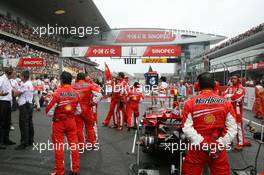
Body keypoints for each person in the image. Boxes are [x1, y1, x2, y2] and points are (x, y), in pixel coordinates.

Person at [182, 72, 237, 175]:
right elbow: (233, 128)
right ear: (216, 85)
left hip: (197, 147)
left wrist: (202, 143)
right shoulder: (226, 103)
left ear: (197, 86)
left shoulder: (190, 103)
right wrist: (220, 144)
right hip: (218, 147)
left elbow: (186, 128)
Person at [46, 71, 81, 175]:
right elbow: (79, 111)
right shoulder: (76, 93)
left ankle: (59, 171)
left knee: (59, 147)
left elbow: (48, 112)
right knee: (74, 145)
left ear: (61, 80)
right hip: (71, 122)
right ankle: (75, 169)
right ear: (71, 81)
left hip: (59, 123)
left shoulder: (56, 93)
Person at [72, 73, 102, 148]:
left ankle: (81, 145)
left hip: (76, 109)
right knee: (90, 126)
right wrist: (93, 102)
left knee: (79, 128)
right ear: (84, 78)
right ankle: (91, 143)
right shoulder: (89, 85)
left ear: (77, 78)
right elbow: (99, 95)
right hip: (87, 109)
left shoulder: (73, 86)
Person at [223, 74, 251, 150]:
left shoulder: (241, 88)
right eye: (232, 78)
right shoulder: (229, 87)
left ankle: (241, 143)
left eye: (235, 78)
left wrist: (229, 96)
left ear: (238, 79)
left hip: (237, 110)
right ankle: (230, 141)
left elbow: (235, 97)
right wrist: (230, 96)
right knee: (228, 126)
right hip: (229, 110)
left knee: (238, 127)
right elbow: (223, 95)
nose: (233, 80)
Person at [13, 70, 34, 150]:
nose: (20, 77)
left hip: (24, 106)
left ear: (23, 77)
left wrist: (13, 88)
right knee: (29, 123)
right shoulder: (30, 83)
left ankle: (23, 143)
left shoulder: (25, 85)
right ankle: (30, 140)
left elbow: (15, 94)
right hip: (29, 104)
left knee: (23, 124)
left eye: (21, 75)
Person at [0, 67, 16, 150]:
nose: (14, 75)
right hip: (2, 102)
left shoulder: (9, 80)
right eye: (13, 74)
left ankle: (6, 139)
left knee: (7, 122)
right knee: (2, 122)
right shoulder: (1, 79)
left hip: (8, 102)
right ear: (9, 73)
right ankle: (1, 141)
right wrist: (1, 94)